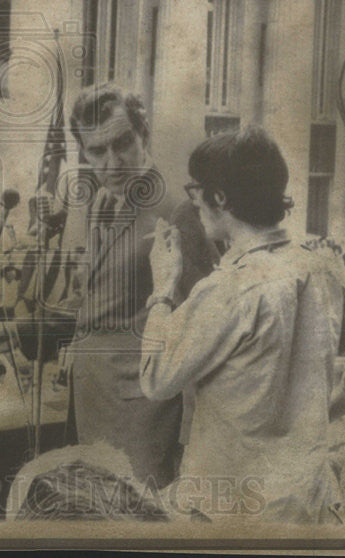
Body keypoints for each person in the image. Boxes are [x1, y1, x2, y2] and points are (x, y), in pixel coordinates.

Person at [141, 126, 345, 522]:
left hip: (230, 510)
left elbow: (155, 378)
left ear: (219, 197)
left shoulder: (226, 288)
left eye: (196, 191)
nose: (193, 203)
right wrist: (325, 410)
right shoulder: (326, 268)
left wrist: (162, 288)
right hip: (309, 502)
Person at [62, 84, 215, 488]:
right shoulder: (99, 203)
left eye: (123, 143)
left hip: (145, 422)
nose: (112, 163)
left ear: (143, 134)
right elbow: (98, 302)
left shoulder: (177, 209)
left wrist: (189, 439)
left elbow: (201, 323)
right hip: (94, 406)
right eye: (97, 151)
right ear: (84, 153)